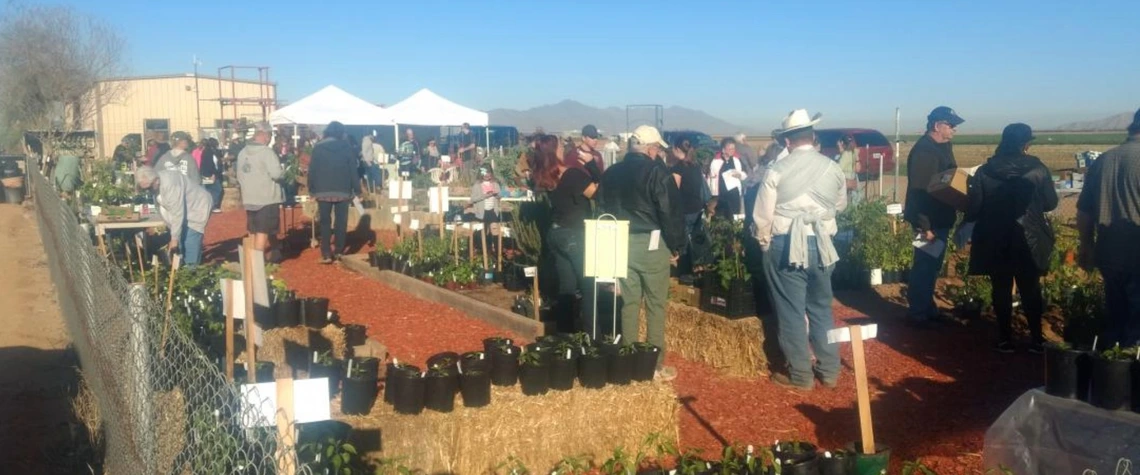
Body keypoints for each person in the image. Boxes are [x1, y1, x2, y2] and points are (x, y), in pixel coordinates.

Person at [751, 109, 846, 390]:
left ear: (787, 141)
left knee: (791, 311)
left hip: (786, 244)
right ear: (813, 137)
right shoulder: (833, 167)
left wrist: (764, 243)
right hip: (823, 243)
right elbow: (840, 205)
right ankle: (829, 370)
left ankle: (801, 375)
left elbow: (763, 217)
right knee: (821, 309)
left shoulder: (777, 170)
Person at [599, 125, 683, 382]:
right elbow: (669, 212)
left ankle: (628, 361)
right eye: (657, 148)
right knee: (656, 305)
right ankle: (654, 366)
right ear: (651, 148)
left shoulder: (611, 172)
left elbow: (601, 209)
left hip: (619, 241)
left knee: (629, 303)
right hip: (651, 243)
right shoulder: (657, 172)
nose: (658, 153)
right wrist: (677, 245)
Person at [966, 123, 1057, 353]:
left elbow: (974, 208)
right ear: (1025, 144)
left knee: (1001, 287)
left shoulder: (984, 171)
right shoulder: (1038, 169)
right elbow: (1050, 203)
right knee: (1030, 287)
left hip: (995, 237)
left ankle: (1005, 338)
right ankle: (1036, 339)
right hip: (1029, 237)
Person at [1077, 107, 1140, 347]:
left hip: (1109, 253)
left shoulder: (1104, 159)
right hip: (1137, 255)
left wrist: (1086, 245)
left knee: (1116, 316)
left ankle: (1113, 373)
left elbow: (1084, 211)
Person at [903, 106, 965, 328]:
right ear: (937, 126)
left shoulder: (943, 146)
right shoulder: (924, 152)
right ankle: (918, 313)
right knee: (924, 265)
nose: (955, 129)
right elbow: (920, 192)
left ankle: (926, 308)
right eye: (951, 125)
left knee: (932, 265)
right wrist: (924, 226)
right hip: (927, 221)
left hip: (940, 218)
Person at [539, 138, 599, 333]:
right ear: (554, 152)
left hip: (556, 233)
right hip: (574, 234)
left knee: (567, 287)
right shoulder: (572, 174)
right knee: (589, 285)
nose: (564, 149)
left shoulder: (547, 177)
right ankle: (592, 337)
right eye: (560, 146)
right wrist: (591, 165)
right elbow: (598, 194)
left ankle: (564, 335)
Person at [135, 165, 212, 266]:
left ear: (156, 181)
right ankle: (181, 269)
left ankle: (191, 271)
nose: (147, 191)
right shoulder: (156, 183)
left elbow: (177, 213)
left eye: (148, 188)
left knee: (189, 241)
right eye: (144, 189)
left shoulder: (171, 184)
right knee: (180, 243)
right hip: (182, 212)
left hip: (196, 209)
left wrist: (174, 239)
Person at [309, 121, 362, 264]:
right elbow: (352, 170)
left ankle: (326, 252)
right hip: (343, 189)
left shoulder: (318, 148)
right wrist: (357, 190)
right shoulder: (347, 147)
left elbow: (312, 169)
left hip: (322, 189)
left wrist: (312, 190)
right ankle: (339, 251)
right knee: (341, 221)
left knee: (325, 221)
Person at [237, 122, 285, 256]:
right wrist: (283, 172)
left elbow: (239, 175)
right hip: (266, 198)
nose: (270, 138)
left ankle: (268, 253)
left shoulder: (242, 152)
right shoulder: (266, 152)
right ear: (265, 135)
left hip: (249, 197)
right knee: (263, 231)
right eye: (269, 135)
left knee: (253, 230)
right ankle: (257, 262)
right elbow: (276, 174)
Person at [669, 138, 709, 279]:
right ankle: (699, 269)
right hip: (696, 208)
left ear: (678, 150)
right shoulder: (695, 166)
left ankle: (685, 273)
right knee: (697, 240)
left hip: (684, 210)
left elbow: (674, 192)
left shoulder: (677, 168)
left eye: (673, 148)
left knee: (684, 242)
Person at [709, 137, 746, 218]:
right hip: (721, 195)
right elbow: (712, 178)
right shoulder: (716, 161)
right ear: (723, 149)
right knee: (721, 218)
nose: (732, 151)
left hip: (734, 194)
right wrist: (713, 195)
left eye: (733, 149)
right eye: (730, 149)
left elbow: (744, 173)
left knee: (734, 217)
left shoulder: (737, 160)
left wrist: (740, 175)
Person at [469, 166, 502, 256]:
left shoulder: (495, 184)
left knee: (495, 231)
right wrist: (485, 196)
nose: (487, 175)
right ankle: (483, 253)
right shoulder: (477, 185)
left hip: (492, 211)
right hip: (481, 212)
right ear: (481, 173)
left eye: (489, 172)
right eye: (485, 173)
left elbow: (499, 195)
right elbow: (473, 199)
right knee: (482, 233)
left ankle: (497, 254)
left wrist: (496, 194)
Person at [199, 138, 225, 213]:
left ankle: (207, 206)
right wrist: (213, 174)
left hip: (205, 174)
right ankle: (212, 206)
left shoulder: (205, 151)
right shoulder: (210, 152)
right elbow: (211, 163)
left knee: (208, 190)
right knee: (217, 189)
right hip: (210, 175)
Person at [835, 136, 863, 205]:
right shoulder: (853, 153)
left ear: (842, 144)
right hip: (853, 179)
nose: (838, 147)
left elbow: (838, 169)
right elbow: (858, 169)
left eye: (838, 145)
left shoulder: (845, 155)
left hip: (846, 181)